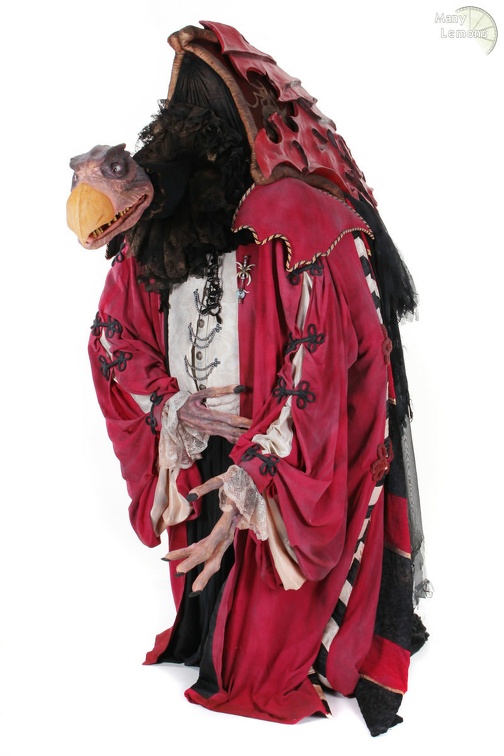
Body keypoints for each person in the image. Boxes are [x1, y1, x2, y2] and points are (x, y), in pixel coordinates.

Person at [66, 21, 429, 736]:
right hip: (202, 446)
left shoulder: (296, 222)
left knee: (257, 661)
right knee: (213, 613)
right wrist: (170, 407)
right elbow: (110, 336)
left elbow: (324, 362)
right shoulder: (154, 230)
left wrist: (256, 476)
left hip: (275, 459)